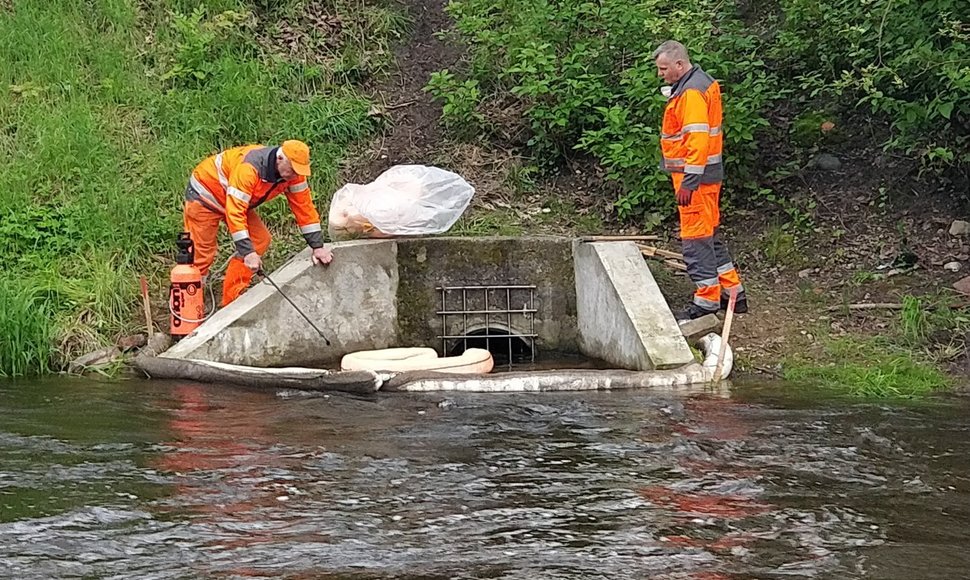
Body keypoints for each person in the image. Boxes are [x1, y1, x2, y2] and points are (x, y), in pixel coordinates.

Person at [653, 40, 748, 321]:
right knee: (710, 236)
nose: (661, 74)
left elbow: (697, 139)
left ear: (679, 65)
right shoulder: (699, 83)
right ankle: (733, 293)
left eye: (664, 68)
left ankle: (706, 301)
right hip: (703, 177)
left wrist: (689, 182)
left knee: (696, 241)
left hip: (695, 179)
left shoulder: (692, 92)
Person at [183, 140, 333, 306]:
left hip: (234, 199)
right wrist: (248, 253)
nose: (295, 176)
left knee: (259, 240)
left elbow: (304, 209)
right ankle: (188, 311)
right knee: (200, 255)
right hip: (205, 196)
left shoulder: (293, 175)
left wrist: (317, 246)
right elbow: (235, 212)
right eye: (292, 170)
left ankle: (232, 299)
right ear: (280, 158)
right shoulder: (249, 169)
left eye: (299, 171)